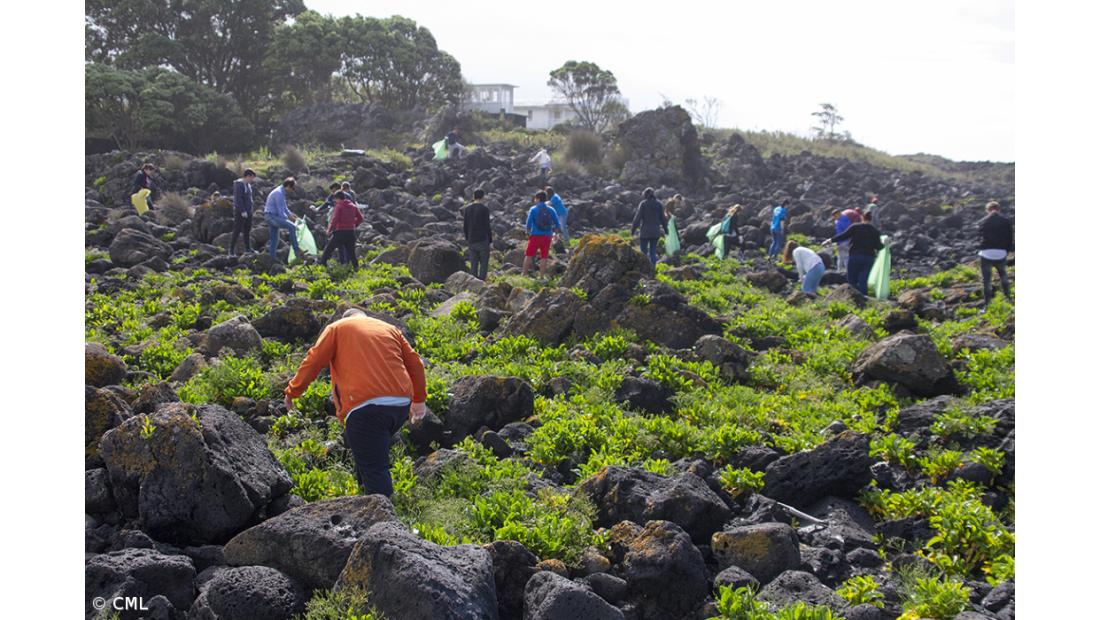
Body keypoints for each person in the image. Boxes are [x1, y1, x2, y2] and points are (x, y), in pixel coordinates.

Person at [284, 308, 426, 496]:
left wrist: (293, 391)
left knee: (375, 469)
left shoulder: (337, 327)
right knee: (367, 454)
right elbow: (416, 363)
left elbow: (314, 360)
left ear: (346, 317)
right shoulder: (389, 328)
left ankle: (384, 520)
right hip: (399, 405)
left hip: (365, 407)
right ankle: (364, 505)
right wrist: (419, 400)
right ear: (364, 317)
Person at [824, 219, 884, 295]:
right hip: (868, 258)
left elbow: (843, 236)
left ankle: (853, 298)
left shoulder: (855, 227)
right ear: (872, 220)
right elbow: (879, 247)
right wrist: (885, 244)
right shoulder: (875, 231)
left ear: (862, 217)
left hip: (855, 256)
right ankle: (864, 298)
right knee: (863, 279)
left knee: (852, 280)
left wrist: (830, 240)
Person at [977, 201, 1014, 309]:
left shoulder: (982, 221)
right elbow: (1010, 238)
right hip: (1001, 253)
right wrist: (1006, 251)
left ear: (987, 210)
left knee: (987, 280)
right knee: (1003, 276)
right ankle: (1008, 298)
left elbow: (979, 237)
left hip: (986, 253)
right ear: (999, 209)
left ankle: (987, 304)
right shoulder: (1006, 221)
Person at [522, 191, 561, 278]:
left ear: (538, 199)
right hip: (547, 236)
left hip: (535, 235)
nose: (534, 200)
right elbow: (557, 224)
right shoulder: (551, 210)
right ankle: (542, 277)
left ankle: (524, 274)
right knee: (544, 256)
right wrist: (556, 234)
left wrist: (527, 232)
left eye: (535, 198)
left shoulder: (533, 209)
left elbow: (528, 223)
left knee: (529, 254)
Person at [319, 191, 363, 269]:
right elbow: (360, 218)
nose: (335, 201)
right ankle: (356, 267)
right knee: (351, 252)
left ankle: (322, 264)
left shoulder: (339, 206)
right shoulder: (353, 206)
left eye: (335, 200)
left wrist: (329, 230)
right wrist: (354, 224)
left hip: (340, 232)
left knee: (329, 249)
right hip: (351, 232)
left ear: (338, 198)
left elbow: (335, 219)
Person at [265, 177, 301, 262]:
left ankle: (271, 259)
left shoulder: (281, 192)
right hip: (272, 216)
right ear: (288, 186)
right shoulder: (279, 194)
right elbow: (281, 213)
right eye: (292, 188)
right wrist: (291, 220)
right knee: (292, 227)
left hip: (272, 216)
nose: (292, 190)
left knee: (275, 239)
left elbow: (285, 209)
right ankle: (296, 250)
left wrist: (293, 216)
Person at [632, 188, 668, 266]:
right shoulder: (659, 204)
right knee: (653, 252)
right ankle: (653, 270)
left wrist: (633, 230)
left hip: (645, 232)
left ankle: (645, 269)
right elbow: (663, 219)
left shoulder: (643, 204)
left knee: (643, 252)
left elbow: (637, 218)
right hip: (655, 232)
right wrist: (666, 231)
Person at [463, 188, 492, 280]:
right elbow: (487, 226)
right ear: (483, 197)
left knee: (473, 263)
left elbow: (465, 226)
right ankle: (481, 282)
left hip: (471, 239)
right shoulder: (484, 209)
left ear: (473, 197)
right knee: (484, 263)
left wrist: (468, 238)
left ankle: (473, 282)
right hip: (482, 239)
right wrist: (490, 240)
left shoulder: (467, 209)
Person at [229, 169, 257, 256]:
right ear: (248, 176)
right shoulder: (239, 185)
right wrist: (242, 211)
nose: (252, 180)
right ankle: (231, 250)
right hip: (240, 212)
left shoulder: (247, 185)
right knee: (237, 230)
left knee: (247, 230)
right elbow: (238, 199)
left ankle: (248, 248)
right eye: (251, 178)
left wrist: (249, 211)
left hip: (248, 212)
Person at [546, 186, 569, 252]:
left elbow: (550, 203)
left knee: (563, 227)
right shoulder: (554, 196)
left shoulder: (555, 197)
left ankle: (566, 242)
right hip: (558, 214)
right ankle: (557, 241)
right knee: (557, 227)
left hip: (562, 214)